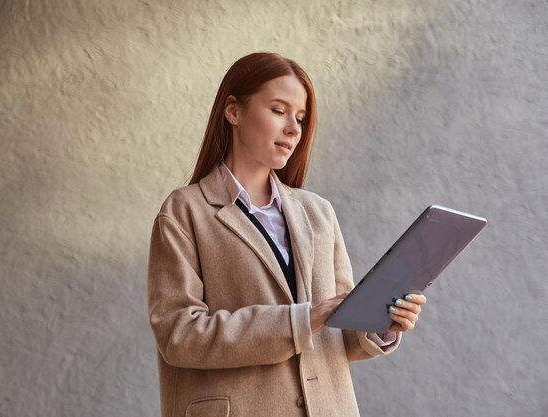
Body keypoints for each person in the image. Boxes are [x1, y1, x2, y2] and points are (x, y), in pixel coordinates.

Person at [147, 52, 427, 417]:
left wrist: (381, 324)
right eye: (279, 110)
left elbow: (339, 337)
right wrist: (303, 318)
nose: (294, 128)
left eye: (300, 117)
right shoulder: (185, 211)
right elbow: (179, 335)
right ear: (233, 111)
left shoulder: (319, 213)